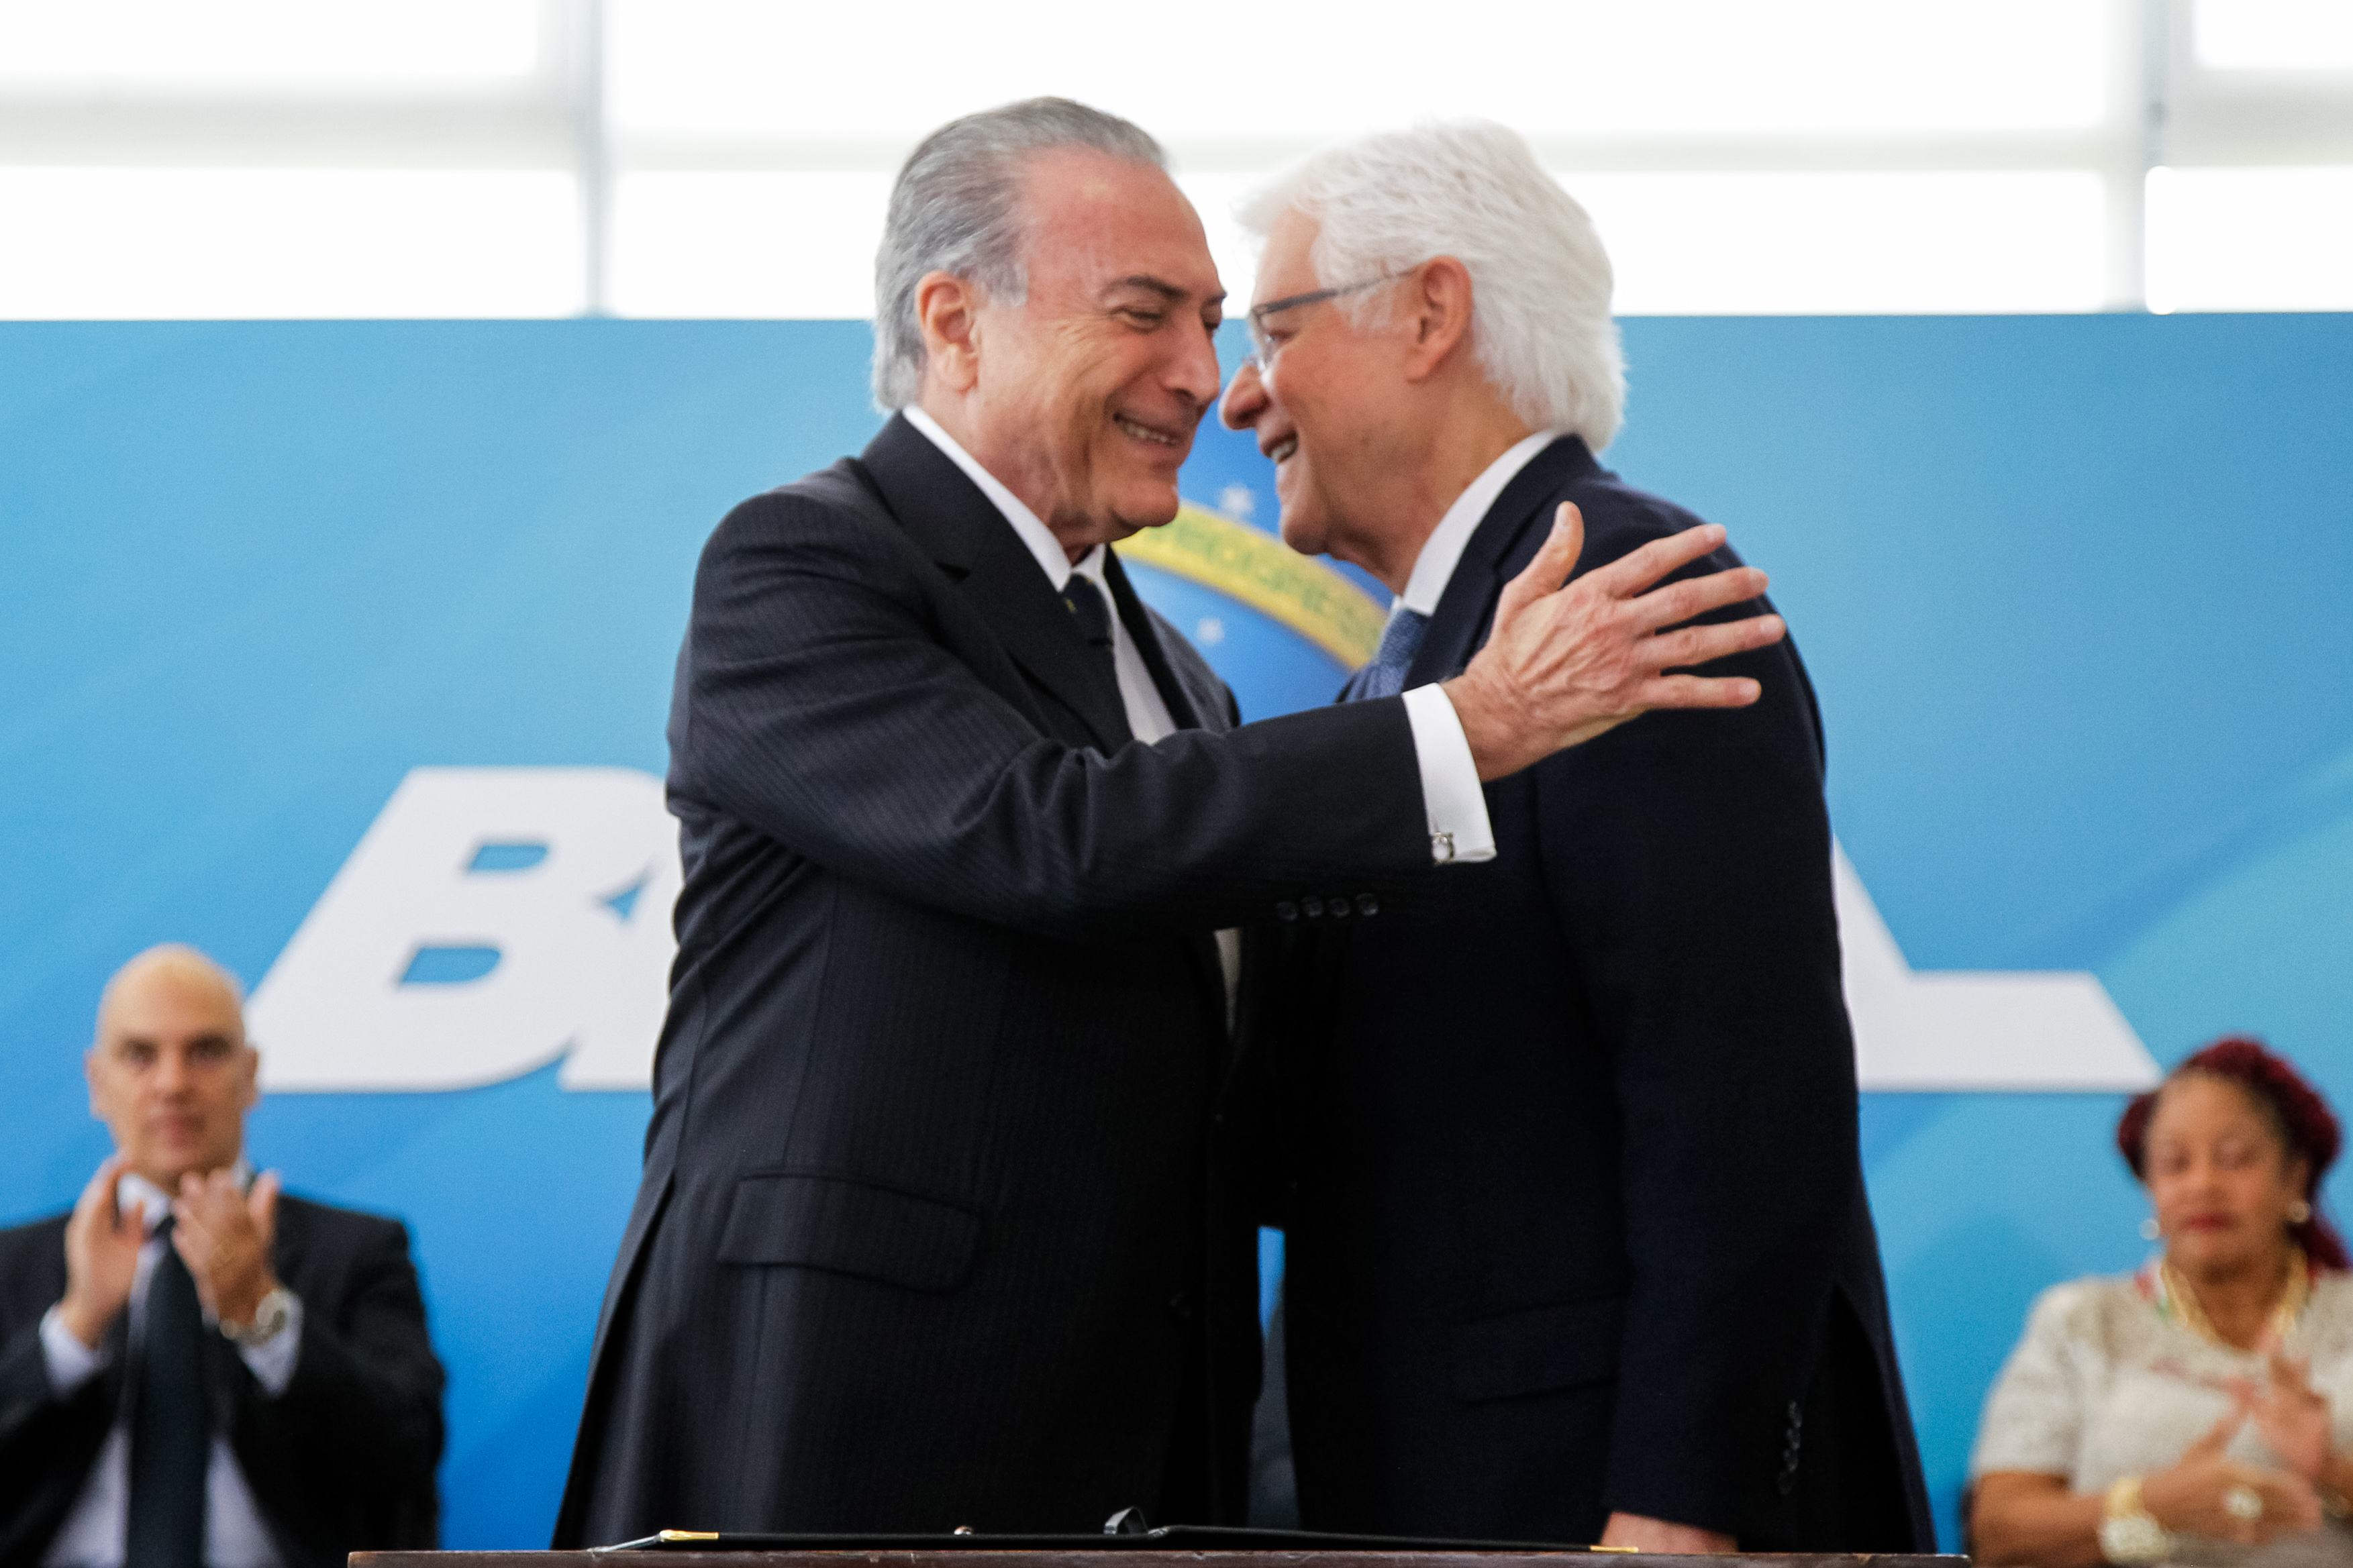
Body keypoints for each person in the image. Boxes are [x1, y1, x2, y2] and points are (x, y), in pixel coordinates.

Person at [552, 97, 1791, 1545]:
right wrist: (1475, 723)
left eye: (1217, 324)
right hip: (842, 1428)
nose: (1205, 379)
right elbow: (1045, 835)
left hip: (1132, 1461)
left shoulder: (1184, 683)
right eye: (1145, 315)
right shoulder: (805, 563)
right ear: (955, 323)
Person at [1215, 120, 1932, 1551]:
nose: (1241, 397)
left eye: (1274, 333)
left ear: (1430, 312)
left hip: (1597, 1505)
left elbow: (1735, 1097)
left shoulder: (1619, 595)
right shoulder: (1425, 666)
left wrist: (1677, 1507)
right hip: (1458, 1484)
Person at [0, 944, 444, 1568]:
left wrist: (264, 1314)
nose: (173, 1083)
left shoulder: (357, 1252)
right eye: (140, 1054)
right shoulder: (14, 1263)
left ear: (251, 1074)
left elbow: (408, 1455)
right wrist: (75, 1327)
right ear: (98, 1082)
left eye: (205, 1051)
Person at [1971, 1038, 2353, 1567]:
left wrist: (2333, 1472)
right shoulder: (2081, 1320)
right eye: (2175, 1163)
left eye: (2235, 1158)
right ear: (2148, 1183)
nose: (2203, 1184)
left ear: (2295, 1175)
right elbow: (1999, 1535)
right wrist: (2149, 1508)